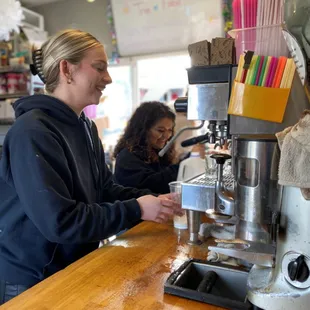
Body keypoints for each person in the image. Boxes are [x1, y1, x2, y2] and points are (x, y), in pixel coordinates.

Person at [0, 29, 182, 304]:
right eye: (99, 68)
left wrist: (157, 202)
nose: (108, 78)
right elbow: (60, 223)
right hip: (33, 278)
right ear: (67, 69)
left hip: (72, 266)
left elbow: (105, 189)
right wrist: (137, 208)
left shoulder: (85, 125)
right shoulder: (33, 131)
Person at [114, 101, 181, 194]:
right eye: (160, 130)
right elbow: (155, 185)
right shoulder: (127, 157)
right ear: (143, 130)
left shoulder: (160, 153)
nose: (167, 136)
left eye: (170, 130)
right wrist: (182, 166)